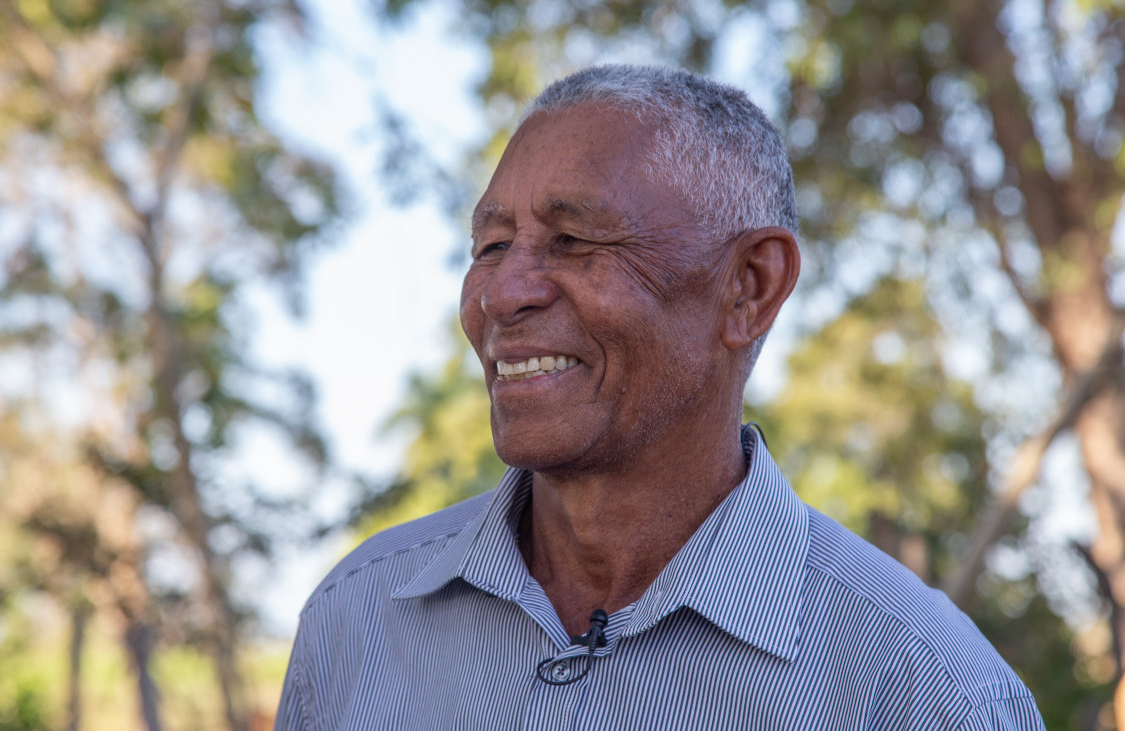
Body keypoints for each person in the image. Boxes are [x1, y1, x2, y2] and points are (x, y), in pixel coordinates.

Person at [275, 65, 1045, 730]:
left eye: (575, 241)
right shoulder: (357, 621)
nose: (502, 294)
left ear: (749, 287)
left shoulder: (923, 690)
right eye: (491, 246)